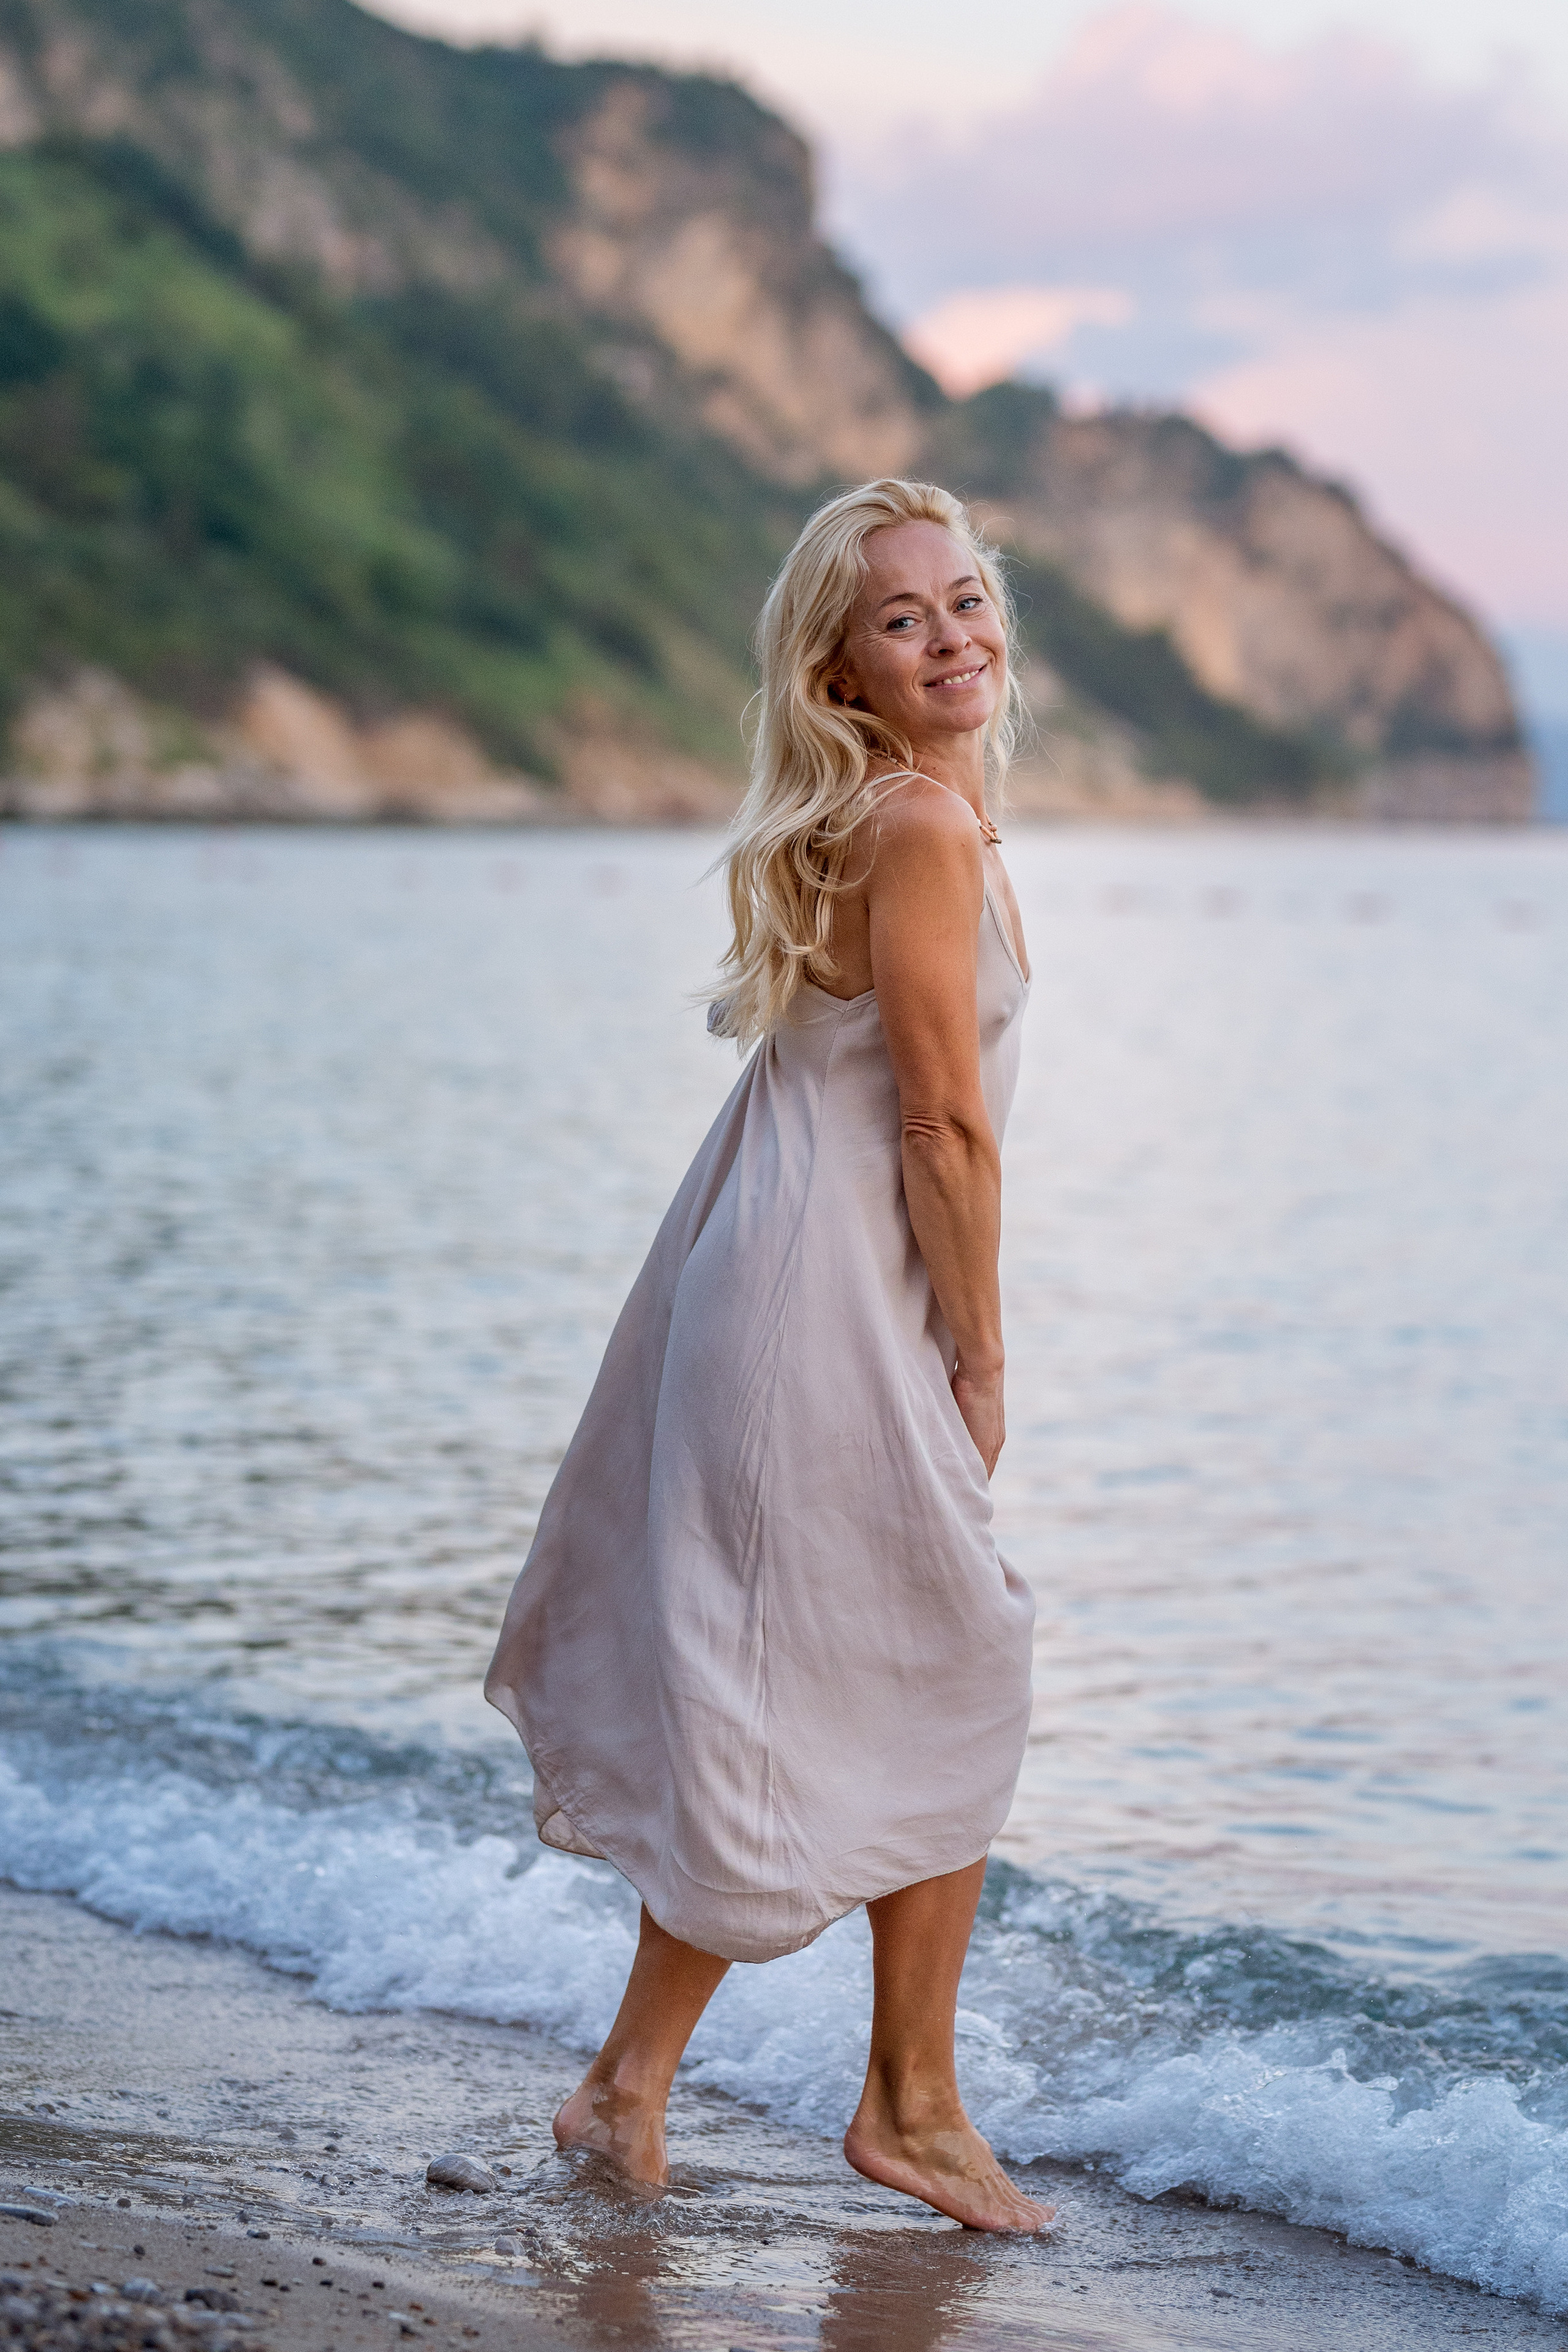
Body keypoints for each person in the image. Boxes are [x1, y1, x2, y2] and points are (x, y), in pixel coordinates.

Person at [486, 477, 1050, 2233]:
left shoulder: (884, 818)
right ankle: (912, 2107)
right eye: (905, 618)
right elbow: (942, 1129)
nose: (952, 635)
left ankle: (625, 2089)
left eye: (965, 600)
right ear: (839, 667)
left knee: (814, 1690)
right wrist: (978, 1350)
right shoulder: (924, 831)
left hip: (772, 1278)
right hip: (834, 1304)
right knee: (962, 1653)